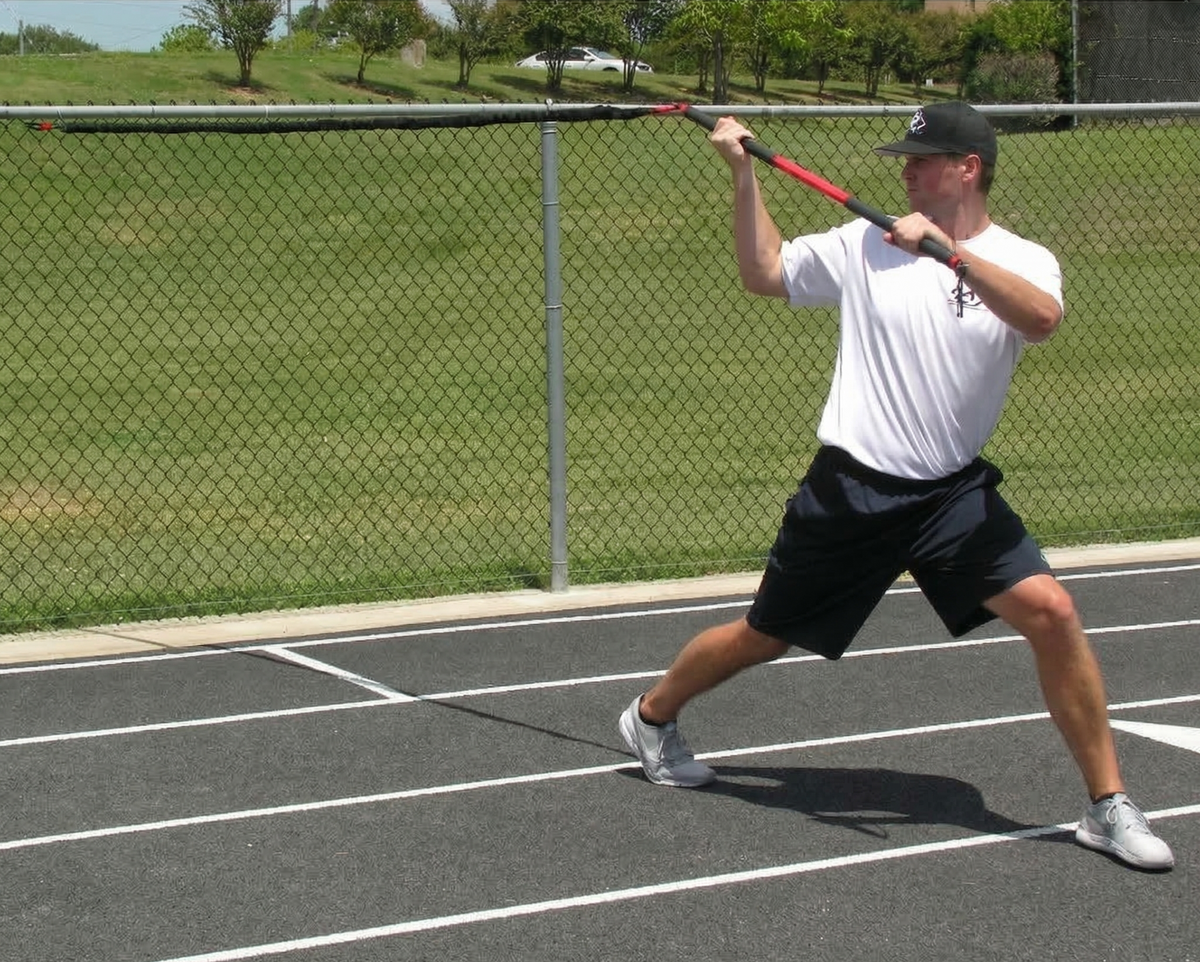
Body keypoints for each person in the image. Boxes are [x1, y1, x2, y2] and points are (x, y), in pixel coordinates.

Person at [618, 101, 1174, 871]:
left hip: (951, 495)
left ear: (968, 168)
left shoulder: (1023, 258)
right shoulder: (864, 243)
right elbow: (764, 273)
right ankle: (653, 716)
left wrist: (949, 253)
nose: (905, 171)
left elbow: (1042, 319)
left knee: (1052, 610)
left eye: (920, 159)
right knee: (764, 637)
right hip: (853, 490)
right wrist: (744, 175)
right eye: (904, 161)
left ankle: (1107, 806)